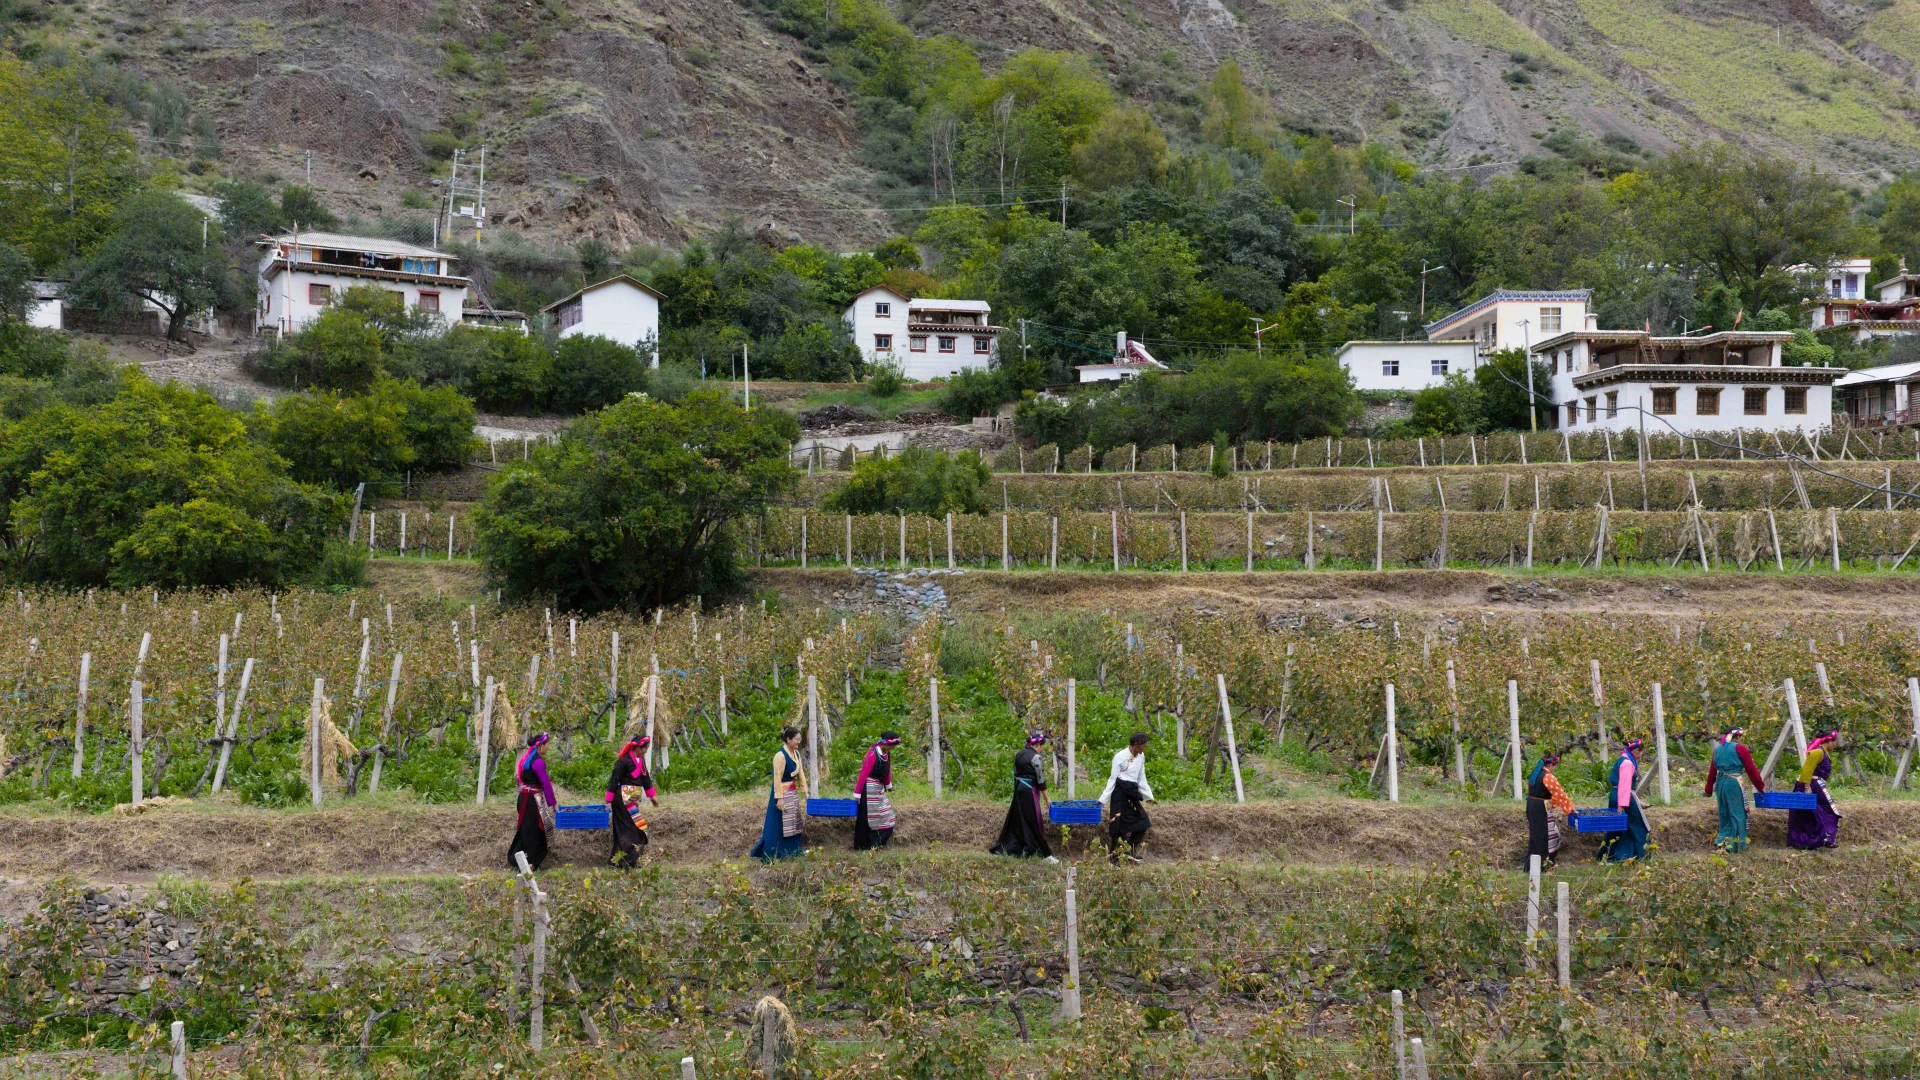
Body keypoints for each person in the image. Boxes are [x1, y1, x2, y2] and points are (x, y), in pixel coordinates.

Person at [749, 726, 809, 862]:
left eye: (800, 740)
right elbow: (777, 779)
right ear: (788, 739)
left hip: (792, 793)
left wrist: (805, 790)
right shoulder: (780, 756)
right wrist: (779, 799)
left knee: (793, 821)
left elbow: (801, 773)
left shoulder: (796, 753)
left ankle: (793, 850)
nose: (798, 742)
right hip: (781, 794)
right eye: (796, 740)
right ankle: (776, 853)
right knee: (778, 824)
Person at [989, 733, 1053, 859]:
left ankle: (1018, 846)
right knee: (1034, 819)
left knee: (1019, 818)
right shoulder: (1036, 757)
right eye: (1042, 746)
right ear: (1039, 745)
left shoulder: (1019, 754)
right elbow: (1041, 780)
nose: (1042, 749)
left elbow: (1016, 774)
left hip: (1019, 788)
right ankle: (1039, 851)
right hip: (1029, 789)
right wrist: (1047, 799)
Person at [1704, 726, 1765, 854]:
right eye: (1740, 737)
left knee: (1724, 812)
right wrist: (1760, 787)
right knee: (1738, 813)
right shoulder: (1740, 749)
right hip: (1733, 782)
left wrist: (1708, 789)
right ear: (1736, 736)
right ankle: (1737, 844)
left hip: (1721, 783)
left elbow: (1712, 771)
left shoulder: (1718, 750)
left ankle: (1723, 841)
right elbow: (1751, 769)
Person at [1099, 731, 1156, 864]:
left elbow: (1141, 777)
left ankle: (1129, 850)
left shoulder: (1141, 756)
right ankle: (1114, 858)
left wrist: (1149, 796)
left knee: (1143, 822)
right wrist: (1103, 799)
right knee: (1118, 827)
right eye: (1143, 746)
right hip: (1119, 794)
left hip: (1132, 794)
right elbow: (1112, 779)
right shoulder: (1119, 757)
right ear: (1136, 745)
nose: (1144, 749)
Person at [607, 734, 659, 869]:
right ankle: (625, 861)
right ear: (638, 747)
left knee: (634, 827)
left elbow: (645, 777)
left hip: (631, 798)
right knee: (628, 829)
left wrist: (652, 795)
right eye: (645, 748)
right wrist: (608, 799)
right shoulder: (624, 761)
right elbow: (614, 779)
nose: (646, 751)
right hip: (620, 799)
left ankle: (623, 860)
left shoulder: (640, 760)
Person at [508, 731, 558, 871]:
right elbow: (545, 783)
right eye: (548, 744)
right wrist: (553, 803)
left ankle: (519, 859)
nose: (549, 747)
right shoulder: (538, 762)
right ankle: (530, 862)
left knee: (527, 829)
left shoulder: (526, 759)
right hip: (532, 800)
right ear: (541, 746)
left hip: (524, 798)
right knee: (536, 830)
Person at [1597, 738, 1651, 863]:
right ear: (1637, 751)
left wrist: (1638, 801)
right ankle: (1640, 855)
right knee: (1638, 826)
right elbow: (1625, 785)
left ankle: (1609, 855)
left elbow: (1628, 788)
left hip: (1618, 795)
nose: (1642, 755)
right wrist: (1622, 805)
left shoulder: (1623, 759)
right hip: (1623, 797)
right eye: (1642, 752)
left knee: (1618, 827)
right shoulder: (1628, 763)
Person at [1788, 729, 1842, 850]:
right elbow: (1807, 770)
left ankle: (1820, 840)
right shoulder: (1817, 752)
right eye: (1835, 742)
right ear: (1829, 741)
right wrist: (1807, 788)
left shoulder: (1822, 752)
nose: (1836, 744)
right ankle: (1817, 840)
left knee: (1815, 813)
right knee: (1826, 811)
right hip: (1811, 786)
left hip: (1816, 785)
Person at [1525, 753, 1575, 871]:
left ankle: (1538, 865)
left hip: (1532, 806)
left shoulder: (1535, 773)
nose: (1554, 769)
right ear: (1551, 765)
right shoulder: (1548, 777)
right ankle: (1543, 866)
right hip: (1540, 809)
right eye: (1554, 767)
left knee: (1538, 836)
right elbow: (1560, 794)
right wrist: (1570, 809)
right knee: (1543, 837)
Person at [852, 731, 901, 851]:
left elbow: (887, 770)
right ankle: (864, 846)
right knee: (867, 817)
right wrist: (857, 793)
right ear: (885, 743)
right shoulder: (872, 754)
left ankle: (878, 842)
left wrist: (888, 785)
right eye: (891, 746)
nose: (892, 748)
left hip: (879, 789)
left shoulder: (887, 754)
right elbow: (863, 774)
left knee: (886, 814)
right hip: (868, 790)